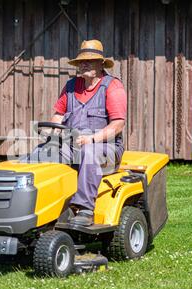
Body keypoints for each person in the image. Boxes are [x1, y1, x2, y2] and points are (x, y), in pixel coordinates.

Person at [27, 39, 127, 226]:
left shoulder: (113, 87)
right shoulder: (71, 86)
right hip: (73, 144)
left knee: (89, 153)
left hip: (106, 148)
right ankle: (36, 205)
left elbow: (118, 125)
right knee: (40, 152)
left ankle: (85, 209)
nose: (84, 64)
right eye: (82, 61)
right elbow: (58, 116)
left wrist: (92, 139)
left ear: (101, 64)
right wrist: (49, 134)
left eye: (89, 60)